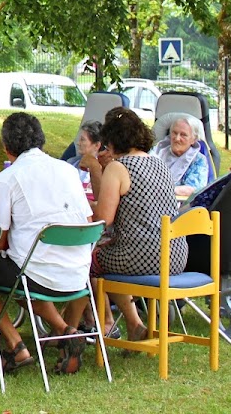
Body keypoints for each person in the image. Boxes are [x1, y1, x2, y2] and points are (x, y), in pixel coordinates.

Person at [0, 113, 93, 375]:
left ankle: (17, 345)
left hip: (35, 274)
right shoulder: (69, 170)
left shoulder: (7, 179)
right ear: (42, 141)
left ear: (7, 148)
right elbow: (89, 220)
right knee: (25, 267)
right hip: (79, 275)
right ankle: (65, 332)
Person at [80, 107, 186, 341]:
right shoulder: (159, 164)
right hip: (175, 255)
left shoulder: (119, 167)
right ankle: (133, 323)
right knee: (109, 257)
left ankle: (101, 324)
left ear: (112, 141)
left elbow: (103, 220)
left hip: (142, 256)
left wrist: (83, 206)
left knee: (86, 261)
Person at [150, 114, 211, 196]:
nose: (177, 138)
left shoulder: (198, 160)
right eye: (174, 133)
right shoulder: (156, 152)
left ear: (194, 139)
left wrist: (160, 190)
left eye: (183, 135)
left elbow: (193, 190)